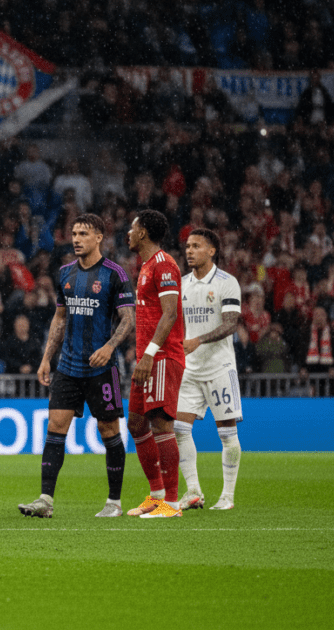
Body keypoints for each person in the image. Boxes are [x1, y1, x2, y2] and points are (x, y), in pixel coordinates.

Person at [18, 214, 135, 519]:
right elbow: (59, 318)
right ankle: (45, 500)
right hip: (68, 366)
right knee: (55, 428)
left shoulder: (115, 274)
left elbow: (128, 319)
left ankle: (114, 502)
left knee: (109, 429)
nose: (77, 238)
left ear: (99, 237)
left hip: (101, 367)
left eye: (84, 233)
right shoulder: (66, 273)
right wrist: (46, 358)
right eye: (74, 233)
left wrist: (109, 347)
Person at [176, 228, 242, 511]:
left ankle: (227, 496)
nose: (189, 250)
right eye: (188, 246)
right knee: (179, 428)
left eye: (196, 246)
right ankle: (193, 492)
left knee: (227, 435)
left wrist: (198, 340)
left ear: (212, 251)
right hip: (189, 368)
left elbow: (230, 324)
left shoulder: (227, 282)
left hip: (218, 367)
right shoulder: (181, 284)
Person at [125, 210, 185, 519]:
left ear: (144, 233)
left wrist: (148, 354)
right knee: (136, 422)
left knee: (161, 423)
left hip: (161, 356)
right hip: (146, 357)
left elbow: (170, 313)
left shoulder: (163, 265)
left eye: (133, 228)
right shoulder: (146, 266)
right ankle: (157, 494)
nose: (129, 233)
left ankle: (172, 504)